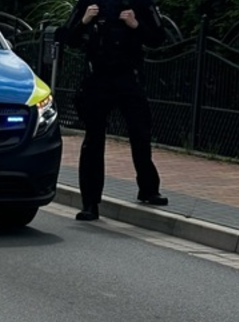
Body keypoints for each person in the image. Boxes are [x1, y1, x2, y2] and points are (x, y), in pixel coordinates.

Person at [57, 0, 169, 222]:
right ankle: (90, 203)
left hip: (128, 77)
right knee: (93, 140)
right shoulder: (89, 2)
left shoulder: (139, 3)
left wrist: (136, 25)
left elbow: (159, 38)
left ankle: (148, 188)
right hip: (98, 78)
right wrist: (84, 21)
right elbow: (67, 38)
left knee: (140, 134)